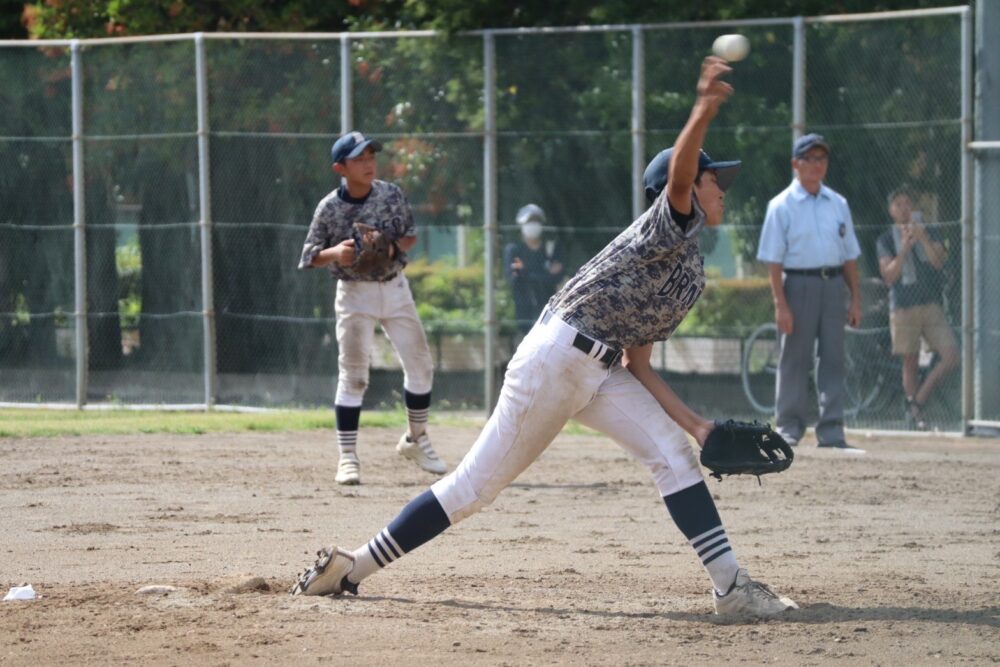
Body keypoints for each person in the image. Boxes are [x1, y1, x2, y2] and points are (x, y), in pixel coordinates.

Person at [291, 58, 798, 618]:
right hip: (555, 359)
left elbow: (640, 364)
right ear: (679, 191)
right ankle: (350, 567)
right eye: (713, 179)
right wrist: (701, 108)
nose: (720, 188)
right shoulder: (665, 226)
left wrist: (699, 426)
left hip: (598, 371)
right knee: (471, 491)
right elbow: (679, 177)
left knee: (675, 454)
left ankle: (731, 588)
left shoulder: (688, 272)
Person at [298, 131, 447, 485]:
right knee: (354, 376)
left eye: (370, 157)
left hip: (395, 288)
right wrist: (335, 254)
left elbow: (409, 234)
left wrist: (392, 248)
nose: (368, 164)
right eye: (359, 159)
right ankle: (348, 458)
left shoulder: (390, 194)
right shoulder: (329, 208)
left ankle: (416, 439)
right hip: (353, 293)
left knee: (421, 366)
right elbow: (308, 256)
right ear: (340, 168)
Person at [756, 133, 864, 454]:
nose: (817, 165)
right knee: (794, 358)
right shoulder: (781, 206)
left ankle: (832, 432)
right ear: (795, 164)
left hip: (833, 284)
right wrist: (781, 304)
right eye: (809, 159)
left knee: (832, 357)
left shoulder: (838, 203)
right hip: (798, 285)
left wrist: (855, 297)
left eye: (822, 159)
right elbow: (773, 261)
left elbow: (849, 257)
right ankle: (788, 428)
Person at [876, 185, 958, 430]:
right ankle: (916, 415)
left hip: (931, 304)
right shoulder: (885, 239)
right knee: (909, 361)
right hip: (903, 307)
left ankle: (918, 400)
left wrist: (921, 237)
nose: (904, 209)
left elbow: (938, 261)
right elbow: (889, 276)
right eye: (898, 204)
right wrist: (903, 248)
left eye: (907, 203)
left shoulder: (930, 230)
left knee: (951, 356)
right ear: (891, 210)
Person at [503, 204, 565, 339]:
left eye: (536, 221)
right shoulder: (513, 250)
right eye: (529, 221)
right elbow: (513, 279)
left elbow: (557, 278)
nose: (533, 224)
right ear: (521, 224)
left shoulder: (552, 248)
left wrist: (524, 271)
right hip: (523, 317)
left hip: (548, 317)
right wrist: (545, 274)